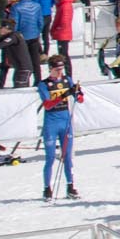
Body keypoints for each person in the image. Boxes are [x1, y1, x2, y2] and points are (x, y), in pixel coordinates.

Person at [35, 55, 82, 198]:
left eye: (61, 69)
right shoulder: (44, 84)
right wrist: (63, 95)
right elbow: (48, 105)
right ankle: (47, 188)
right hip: (51, 124)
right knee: (50, 157)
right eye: (57, 70)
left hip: (65, 122)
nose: (60, 73)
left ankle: (70, 186)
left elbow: (80, 99)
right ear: (51, 69)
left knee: (67, 156)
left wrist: (78, 93)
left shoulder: (67, 80)